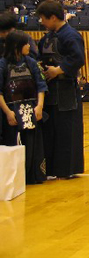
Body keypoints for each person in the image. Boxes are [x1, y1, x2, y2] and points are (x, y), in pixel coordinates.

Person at [37, 0, 85, 179]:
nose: (42, 22)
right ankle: (50, 169)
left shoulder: (71, 35)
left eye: (43, 18)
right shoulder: (48, 36)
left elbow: (78, 58)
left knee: (66, 131)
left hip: (66, 92)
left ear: (53, 17)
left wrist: (58, 70)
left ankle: (66, 169)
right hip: (50, 91)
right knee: (50, 132)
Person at [0, 30, 48, 184]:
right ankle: (15, 179)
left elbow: (41, 85)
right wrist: (7, 112)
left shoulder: (31, 62)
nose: (29, 46)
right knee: (13, 143)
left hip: (31, 110)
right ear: (16, 46)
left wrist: (39, 106)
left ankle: (33, 176)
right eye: (26, 43)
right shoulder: (3, 64)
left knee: (33, 145)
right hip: (11, 112)